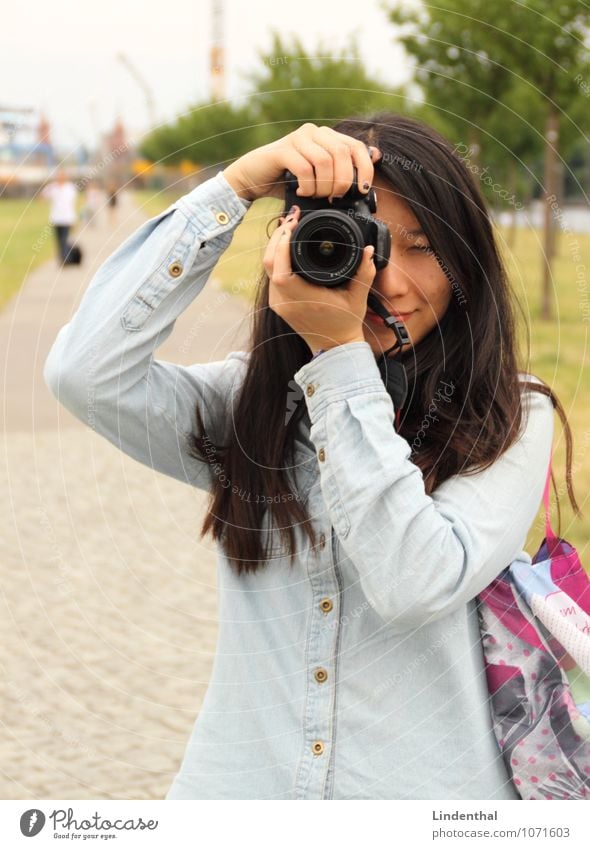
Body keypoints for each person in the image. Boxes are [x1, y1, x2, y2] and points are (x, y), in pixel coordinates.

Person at [43, 113, 581, 800]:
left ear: (466, 264)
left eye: (422, 248)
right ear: (294, 250)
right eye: (365, 243)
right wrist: (234, 188)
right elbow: (85, 372)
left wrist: (337, 358)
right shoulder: (252, 406)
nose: (389, 283)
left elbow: (416, 580)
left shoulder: (509, 415)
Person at [41, 169, 78, 264]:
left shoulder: (70, 188)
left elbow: (71, 204)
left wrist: (74, 219)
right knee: (58, 241)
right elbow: (42, 198)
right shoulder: (52, 187)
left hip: (67, 219)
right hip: (56, 219)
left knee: (64, 240)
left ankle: (65, 260)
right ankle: (62, 258)